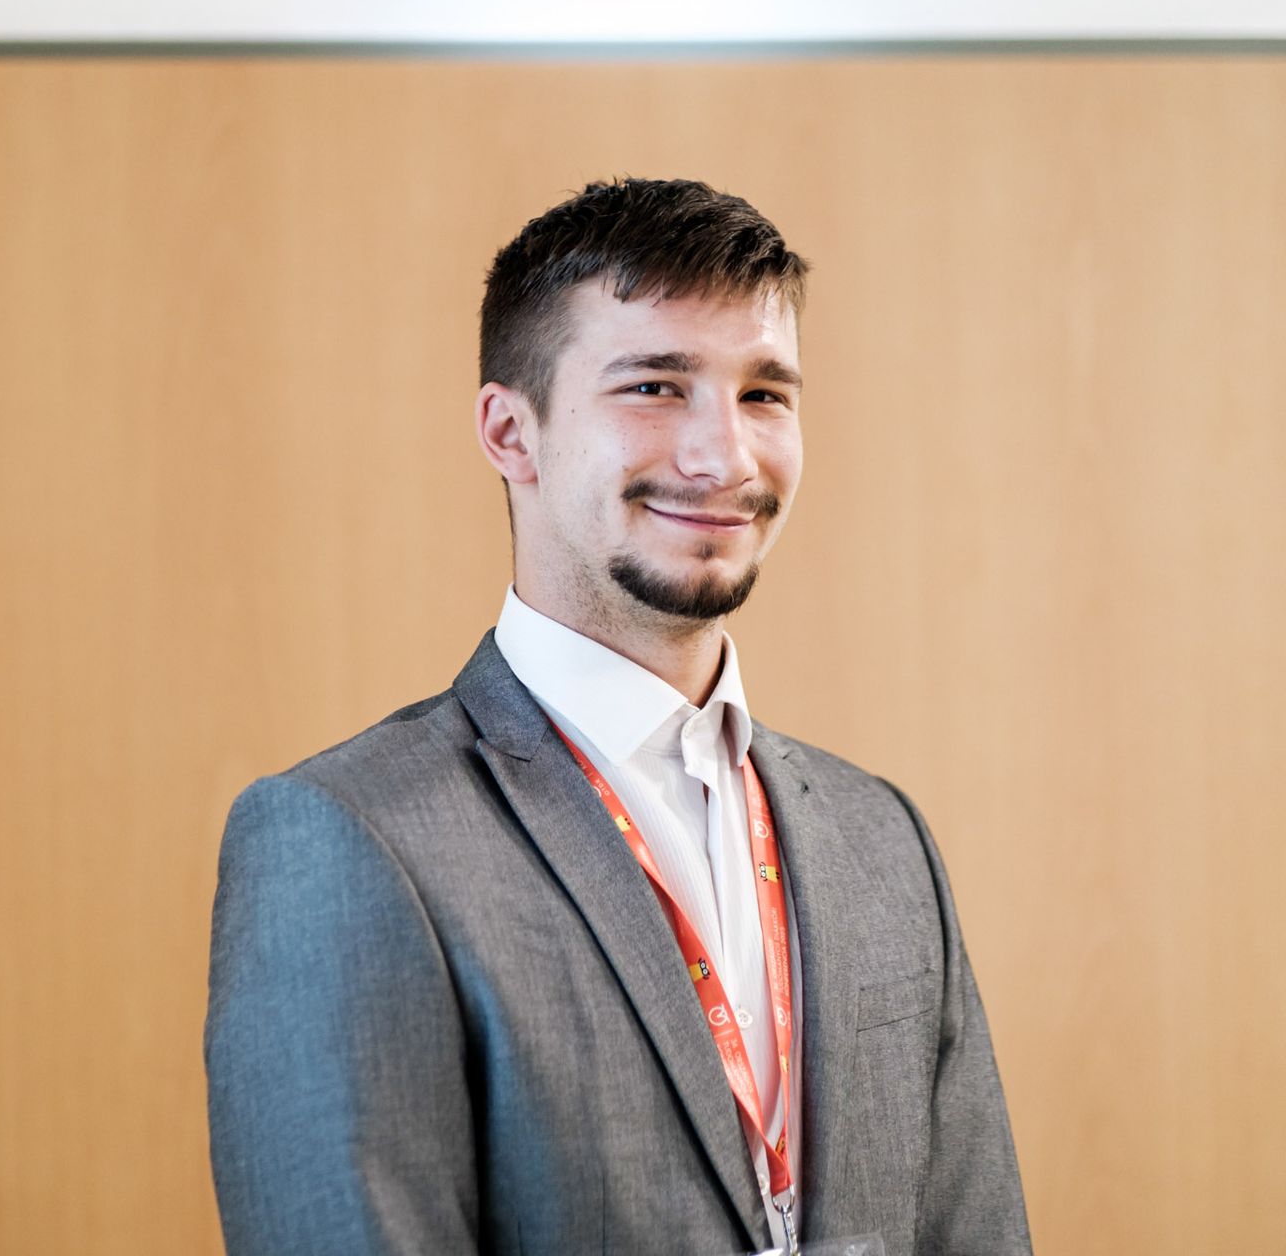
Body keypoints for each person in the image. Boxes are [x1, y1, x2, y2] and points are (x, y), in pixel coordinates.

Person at [203, 178, 1030, 1255]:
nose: (723, 456)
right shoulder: (348, 839)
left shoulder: (885, 840)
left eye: (764, 394)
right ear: (513, 432)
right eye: (654, 386)